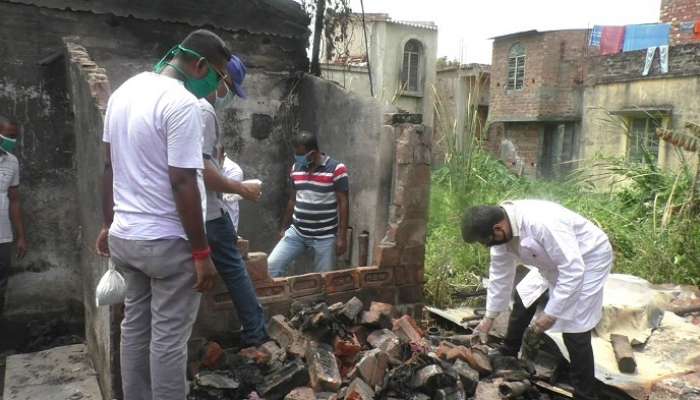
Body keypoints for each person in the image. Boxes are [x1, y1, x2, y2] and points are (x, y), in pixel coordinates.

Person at [94, 29, 228, 400]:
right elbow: (183, 181)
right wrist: (201, 254)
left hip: (127, 237)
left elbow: (108, 167)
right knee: (168, 340)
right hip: (168, 243)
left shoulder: (124, 92)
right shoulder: (181, 103)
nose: (216, 87)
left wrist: (108, 223)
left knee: (135, 327)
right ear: (200, 65)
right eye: (216, 76)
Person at [462, 200, 613, 400]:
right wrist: (488, 318)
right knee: (524, 295)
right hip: (548, 262)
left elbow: (572, 269)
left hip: (587, 259)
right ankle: (509, 351)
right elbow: (500, 276)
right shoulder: (501, 231)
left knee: (574, 327)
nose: (487, 245)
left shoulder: (542, 223)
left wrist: (551, 314)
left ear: (498, 227)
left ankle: (585, 393)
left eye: (487, 241)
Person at [198, 55, 269, 347]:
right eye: (229, 88)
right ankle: (255, 332)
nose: (227, 97)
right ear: (219, 78)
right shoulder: (202, 109)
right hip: (206, 214)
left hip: (190, 214)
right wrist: (241, 190)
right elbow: (203, 172)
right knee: (235, 271)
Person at [268, 131, 349, 277]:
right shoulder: (296, 168)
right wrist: (283, 228)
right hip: (297, 233)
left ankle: (319, 301)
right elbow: (293, 199)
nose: (297, 158)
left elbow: (343, 202)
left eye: (300, 155)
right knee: (271, 267)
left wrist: (342, 237)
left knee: (324, 281)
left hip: (325, 236)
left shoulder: (337, 169)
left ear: (312, 153)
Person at [0, 116, 27, 314]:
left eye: (15, 137)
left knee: (2, 282)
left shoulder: (12, 162)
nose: (13, 141)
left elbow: (15, 200)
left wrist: (21, 236)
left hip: (3, 236)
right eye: (10, 136)